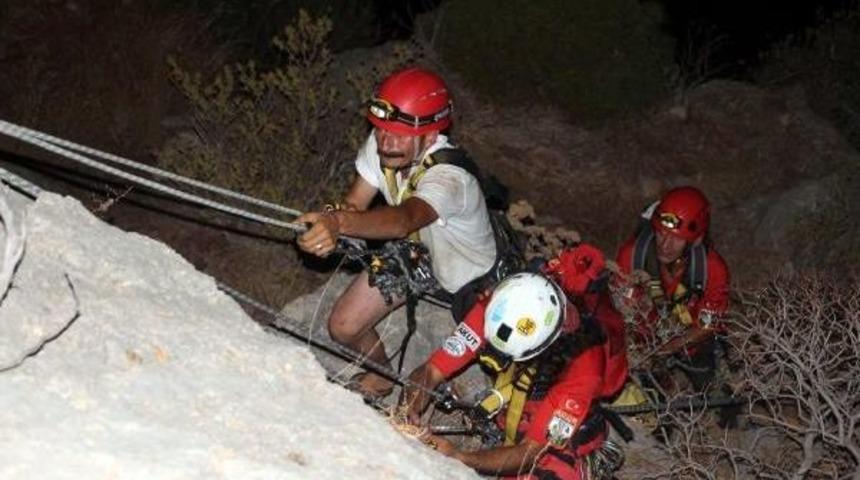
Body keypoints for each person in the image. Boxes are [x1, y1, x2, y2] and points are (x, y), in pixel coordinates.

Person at [296, 67, 499, 400]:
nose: (386, 142)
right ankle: (381, 376)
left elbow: (405, 219)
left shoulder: (451, 179)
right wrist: (328, 220)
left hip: (469, 280)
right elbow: (354, 204)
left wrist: (339, 224)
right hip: (419, 256)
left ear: (430, 137)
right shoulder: (383, 145)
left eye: (400, 135)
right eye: (380, 130)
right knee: (343, 327)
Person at [401, 247, 629, 479]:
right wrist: (408, 410)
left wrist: (459, 457)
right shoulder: (501, 307)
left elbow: (531, 452)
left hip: (551, 426)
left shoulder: (584, 369)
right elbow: (432, 370)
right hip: (516, 406)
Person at [614, 186, 730, 392]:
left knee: (715, 391)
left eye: (676, 239)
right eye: (660, 233)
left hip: (691, 345)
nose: (665, 245)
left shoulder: (712, 270)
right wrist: (641, 352)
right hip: (642, 346)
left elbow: (708, 324)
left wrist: (667, 349)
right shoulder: (632, 258)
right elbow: (621, 311)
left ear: (696, 240)